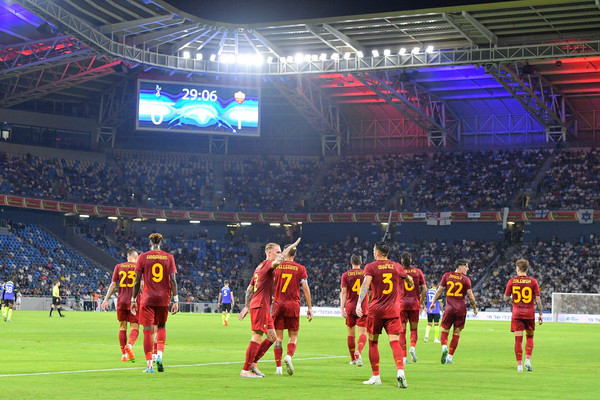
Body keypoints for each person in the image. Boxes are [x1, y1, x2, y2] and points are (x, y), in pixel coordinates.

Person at [238, 238, 301, 379]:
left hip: (262, 306)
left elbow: (250, 288)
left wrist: (246, 306)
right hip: (260, 305)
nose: (280, 254)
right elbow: (278, 261)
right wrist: (291, 247)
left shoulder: (259, 267)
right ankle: (245, 370)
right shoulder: (268, 264)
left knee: (273, 337)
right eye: (278, 252)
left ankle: (253, 363)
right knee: (257, 336)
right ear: (269, 253)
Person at [356, 242, 414, 388]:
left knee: (373, 342)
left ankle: (376, 377)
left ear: (377, 252)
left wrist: (359, 303)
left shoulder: (371, 267)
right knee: (394, 342)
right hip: (393, 311)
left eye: (373, 250)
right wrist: (410, 282)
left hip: (376, 311)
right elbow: (409, 280)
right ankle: (400, 371)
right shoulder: (396, 266)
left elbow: (365, 285)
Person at [131, 233, 179, 373]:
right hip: (164, 298)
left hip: (148, 298)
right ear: (161, 243)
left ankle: (149, 365)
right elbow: (173, 280)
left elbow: (137, 282)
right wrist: (176, 300)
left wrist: (133, 300)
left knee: (147, 331)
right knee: (162, 327)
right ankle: (159, 355)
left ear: (149, 243)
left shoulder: (143, 257)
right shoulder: (169, 257)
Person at [272, 244, 313, 376]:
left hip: (278, 304)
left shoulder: (276, 267)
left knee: (278, 338)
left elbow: (270, 284)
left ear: (284, 253)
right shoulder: (300, 268)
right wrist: (309, 307)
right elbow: (305, 288)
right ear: (295, 254)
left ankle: (278, 368)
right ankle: (289, 356)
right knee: (293, 336)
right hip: (293, 305)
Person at [428, 259, 478, 364]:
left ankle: (444, 347)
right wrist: (474, 308)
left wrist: (433, 302)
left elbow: (439, 290)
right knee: (456, 333)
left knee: (445, 330)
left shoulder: (447, 276)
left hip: (449, 308)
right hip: (461, 309)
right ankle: (450, 357)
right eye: (466, 266)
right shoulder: (466, 280)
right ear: (460, 267)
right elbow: (471, 296)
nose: (468, 269)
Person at [101, 248, 141, 362]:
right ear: (136, 257)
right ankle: (130, 345)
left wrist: (106, 299)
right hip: (134, 301)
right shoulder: (139, 267)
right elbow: (142, 285)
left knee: (122, 327)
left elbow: (113, 285)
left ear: (127, 257)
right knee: (135, 327)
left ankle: (123, 355)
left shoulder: (118, 267)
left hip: (121, 300)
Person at [504, 259, 543, 372]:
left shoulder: (512, 281)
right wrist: (540, 314)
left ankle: (519, 366)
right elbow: (538, 300)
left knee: (518, 340)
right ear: (526, 269)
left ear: (518, 269)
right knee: (530, 337)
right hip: (529, 313)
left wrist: (513, 296)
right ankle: (528, 360)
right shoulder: (533, 281)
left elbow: (506, 299)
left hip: (517, 313)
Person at [398, 252, 426, 364]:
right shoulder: (418, 272)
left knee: (402, 331)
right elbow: (424, 289)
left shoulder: (398, 272)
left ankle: (404, 357)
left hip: (401, 305)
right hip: (414, 304)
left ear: (401, 261)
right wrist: (421, 302)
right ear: (411, 260)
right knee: (414, 329)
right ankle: (413, 347)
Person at [340, 254, 368, 367]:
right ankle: (359, 351)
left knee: (351, 335)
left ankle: (352, 359)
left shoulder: (345, 275)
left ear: (351, 262)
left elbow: (344, 292)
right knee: (363, 333)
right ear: (361, 263)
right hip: (362, 306)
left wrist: (342, 308)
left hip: (350, 306)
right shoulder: (365, 274)